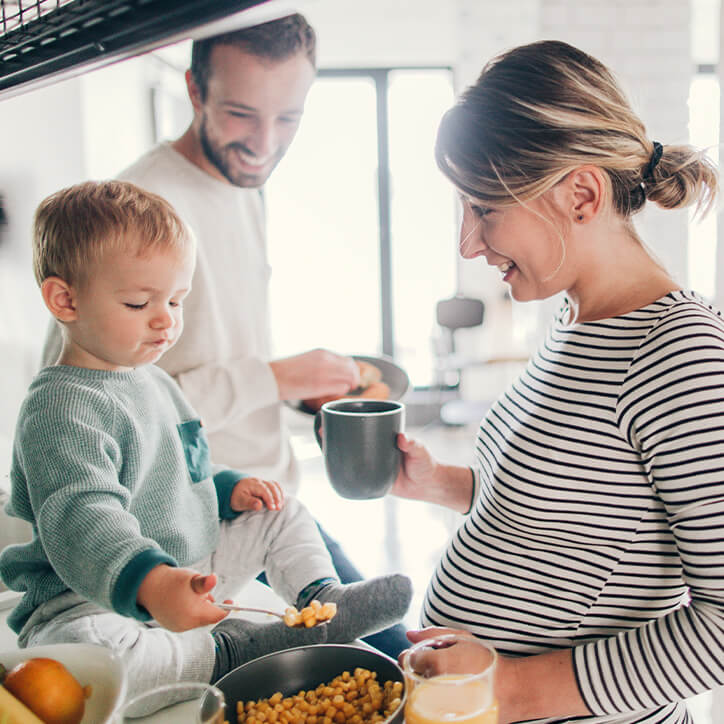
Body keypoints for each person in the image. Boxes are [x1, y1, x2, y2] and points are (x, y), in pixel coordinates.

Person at [39, 11, 410, 659]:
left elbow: (208, 354)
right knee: (380, 662)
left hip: (256, 493)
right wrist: (274, 377)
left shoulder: (240, 187)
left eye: (287, 118)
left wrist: (298, 397)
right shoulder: (141, 206)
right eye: (242, 114)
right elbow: (90, 393)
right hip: (187, 529)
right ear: (193, 90)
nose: (264, 142)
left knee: (392, 655)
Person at [391, 40, 723, 724]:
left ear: (580, 194)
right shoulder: (575, 318)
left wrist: (505, 687)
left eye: (483, 208)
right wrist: (441, 483)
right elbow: (574, 518)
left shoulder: (682, 356)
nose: (467, 242)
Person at [0, 180, 412, 709]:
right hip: (88, 601)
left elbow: (184, 467)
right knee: (97, 657)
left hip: (186, 566)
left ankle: (319, 601)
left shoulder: (154, 379)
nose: (166, 319)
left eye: (176, 300)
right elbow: (83, 517)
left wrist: (227, 489)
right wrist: (150, 582)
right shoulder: (61, 408)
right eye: (138, 302)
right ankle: (232, 651)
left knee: (282, 511)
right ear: (65, 300)